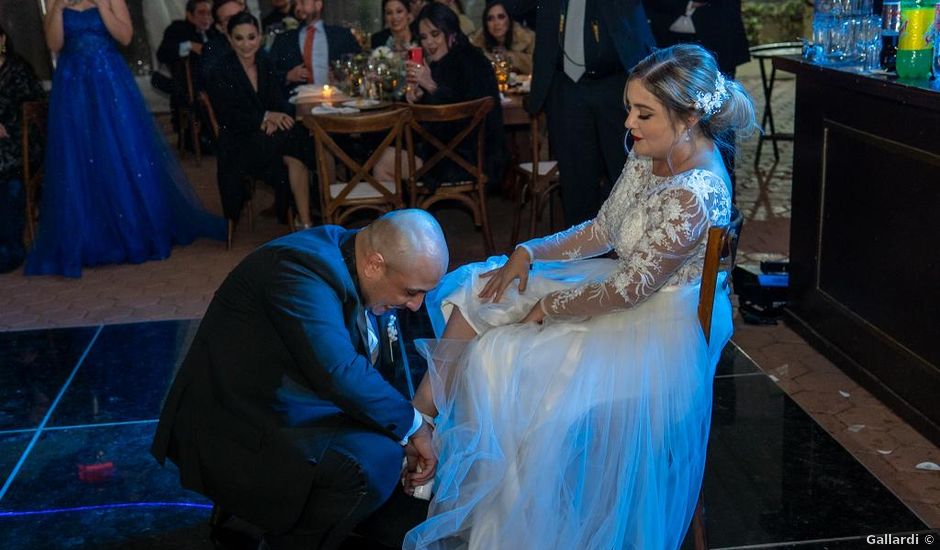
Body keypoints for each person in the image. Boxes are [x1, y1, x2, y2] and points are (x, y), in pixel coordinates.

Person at [403, 44, 759, 549]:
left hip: (657, 327)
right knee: (483, 287)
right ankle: (425, 423)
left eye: (644, 113)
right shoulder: (649, 152)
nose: (630, 124)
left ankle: (513, 521)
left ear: (690, 115)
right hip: (619, 288)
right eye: (629, 109)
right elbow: (600, 231)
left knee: (501, 360)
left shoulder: (695, 192)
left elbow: (629, 290)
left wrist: (550, 305)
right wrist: (528, 250)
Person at [152, 209, 449, 550]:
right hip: (240, 427)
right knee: (376, 461)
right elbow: (338, 370)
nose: (416, 306)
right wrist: (413, 427)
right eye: (411, 292)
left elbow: (375, 374)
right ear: (374, 265)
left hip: (301, 406)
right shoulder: (299, 269)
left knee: (413, 519)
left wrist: (403, 431)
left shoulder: (360, 259)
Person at [25, 0, 225, 278]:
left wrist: (103, 8)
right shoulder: (58, 2)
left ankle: (135, 230)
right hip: (73, 84)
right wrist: (57, 10)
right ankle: (87, 236)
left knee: (120, 152)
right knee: (79, 155)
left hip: (108, 79)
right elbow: (54, 44)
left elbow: (125, 37)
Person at [526, 0, 656, 226]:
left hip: (616, 86)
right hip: (566, 89)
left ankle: (632, 243)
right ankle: (580, 252)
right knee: (576, 179)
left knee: (626, 172)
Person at [374, 3, 506, 192]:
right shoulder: (441, 63)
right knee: (384, 153)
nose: (429, 43)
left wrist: (430, 86)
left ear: (450, 31)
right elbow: (437, 114)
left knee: (384, 162)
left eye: (435, 34)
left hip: (470, 158)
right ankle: (406, 218)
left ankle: (402, 220)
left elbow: (464, 114)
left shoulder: (472, 62)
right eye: (424, 37)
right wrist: (418, 96)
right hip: (447, 153)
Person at [206, 12, 315, 228]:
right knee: (300, 142)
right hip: (238, 144)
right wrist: (264, 117)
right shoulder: (220, 70)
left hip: (269, 138)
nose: (246, 45)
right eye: (239, 38)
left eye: (251, 37)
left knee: (295, 152)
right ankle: (316, 206)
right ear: (229, 39)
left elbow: (278, 101)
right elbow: (228, 116)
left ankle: (306, 222)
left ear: (260, 37)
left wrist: (278, 116)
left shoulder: (265, 62)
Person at [643, 0, 750, 200]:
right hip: (664, 37)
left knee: (718, 124)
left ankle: (721, 200)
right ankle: (669, 195)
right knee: (666, 121)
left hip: (718, 36)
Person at [0, 25, 45, 273]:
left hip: (18, 142)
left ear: (2, 39)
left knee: (8, 173)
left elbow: (33, 108)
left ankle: (10, 246)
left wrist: (6, 126)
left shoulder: (17, 71)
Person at [156, 0, 217, 150]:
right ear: (189, 15)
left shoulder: (213, 32)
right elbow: (162, 53)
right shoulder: (177, 29)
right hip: (189, 90)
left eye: (209, 13)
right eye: (201, 13)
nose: (206, 18)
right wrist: (189, 45)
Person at [269, 0, 360, 94]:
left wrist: (343, 77)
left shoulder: (342, 35)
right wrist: (287, 76)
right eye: (296, 4)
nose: (298, 8)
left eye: (302, 2)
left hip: (337, 99)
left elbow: (360, 66)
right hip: (298, 102)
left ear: (318, 4)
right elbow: (268, 72)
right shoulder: (284, 39)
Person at [468, 0, 535, 75]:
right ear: (486, 24)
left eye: (501, 17)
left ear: (509, 20)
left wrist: (510, 56)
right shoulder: (477, 45)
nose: (496, 23)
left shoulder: (528, 39)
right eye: (490, 18)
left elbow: (536, 67)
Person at [201, 0, 247, 81]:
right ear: (220, 27)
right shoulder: (212, 50)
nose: (237, 21)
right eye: (229, 19)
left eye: (239, 15)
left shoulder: (256, 40)